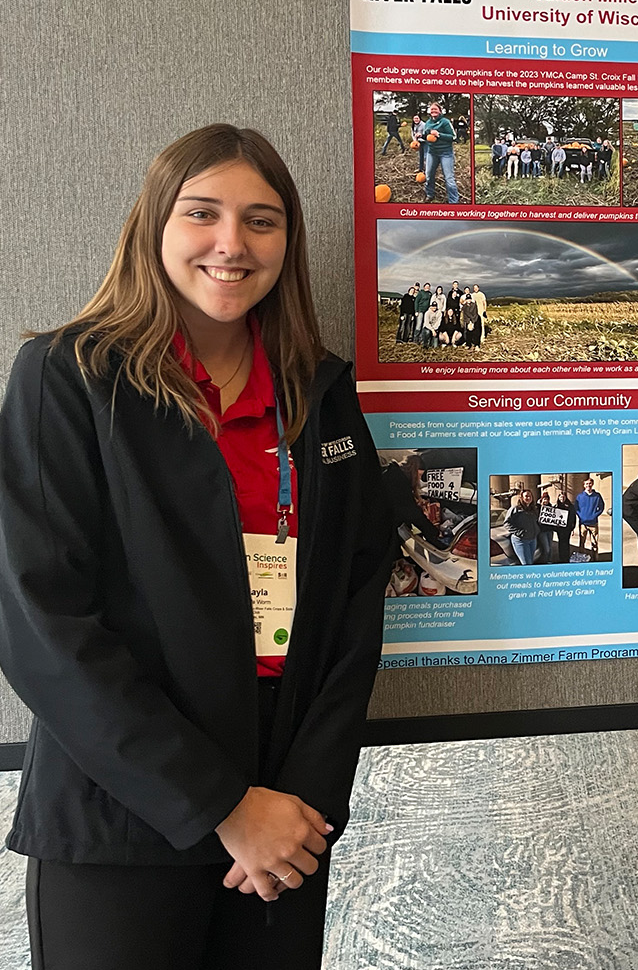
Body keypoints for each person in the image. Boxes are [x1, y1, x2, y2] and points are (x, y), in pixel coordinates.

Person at [0, 124, 395, 968]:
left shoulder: (318, 395)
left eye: (262, 220)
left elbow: (355, 607)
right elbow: (42, 626)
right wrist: (221, 806)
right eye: (202, 213)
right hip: (122, 812)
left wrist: (301, 803)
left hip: (286, 820)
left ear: (287, 241)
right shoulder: (67, 380)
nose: (232, 244)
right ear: (154, 227)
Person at [421, 103, 459, 204]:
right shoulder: (428, 123)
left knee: (449, 178)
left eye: (435, 109)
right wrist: (421, 135)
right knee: (429, 175)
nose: (433, 111)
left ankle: (454, 201)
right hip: (432, 152)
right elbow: (426, 136)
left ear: (440, 111)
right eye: (431, 109)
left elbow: (454, 137)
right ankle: (430, 194)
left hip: (445, 153)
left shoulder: (445, 122)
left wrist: (439, 134)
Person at [499, 488, 540, 566]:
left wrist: (537, 530)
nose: (528, 498)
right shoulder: (515, 509)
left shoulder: (533, 509)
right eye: (526, 496)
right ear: (522, 497)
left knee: (531, 561)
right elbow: (507, 523)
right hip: (521, 541)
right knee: (526, 564)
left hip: (532, 539)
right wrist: (519, 532)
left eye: (530, 496)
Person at [575, 477, 605, 553]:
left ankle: (595, 560)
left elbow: (601, 507)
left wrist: (595, 515)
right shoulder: (579, 496)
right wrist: (581, 516)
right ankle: (582, 559)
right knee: (582, 543)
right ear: (584, 485)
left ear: (592, 484)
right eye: (586, 484)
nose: (588, 485)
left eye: (590, 483)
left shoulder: (597, 496)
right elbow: (576, 508)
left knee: (594, 543)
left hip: (593, 523)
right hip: (583, 524)